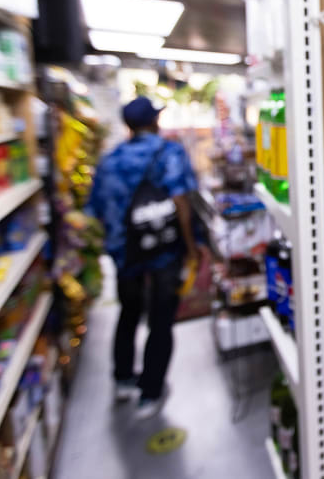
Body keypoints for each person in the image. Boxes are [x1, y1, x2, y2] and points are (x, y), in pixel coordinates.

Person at [87, 95, 200, 419]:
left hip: (125, 255)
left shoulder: (109, 160)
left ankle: (123, 380)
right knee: (161, 321)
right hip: (163, 251)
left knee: (128, 313)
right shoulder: (168, 152)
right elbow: (181, 202)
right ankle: (150, 393)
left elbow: (96, 211)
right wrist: (191, 248)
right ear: (153, 121)